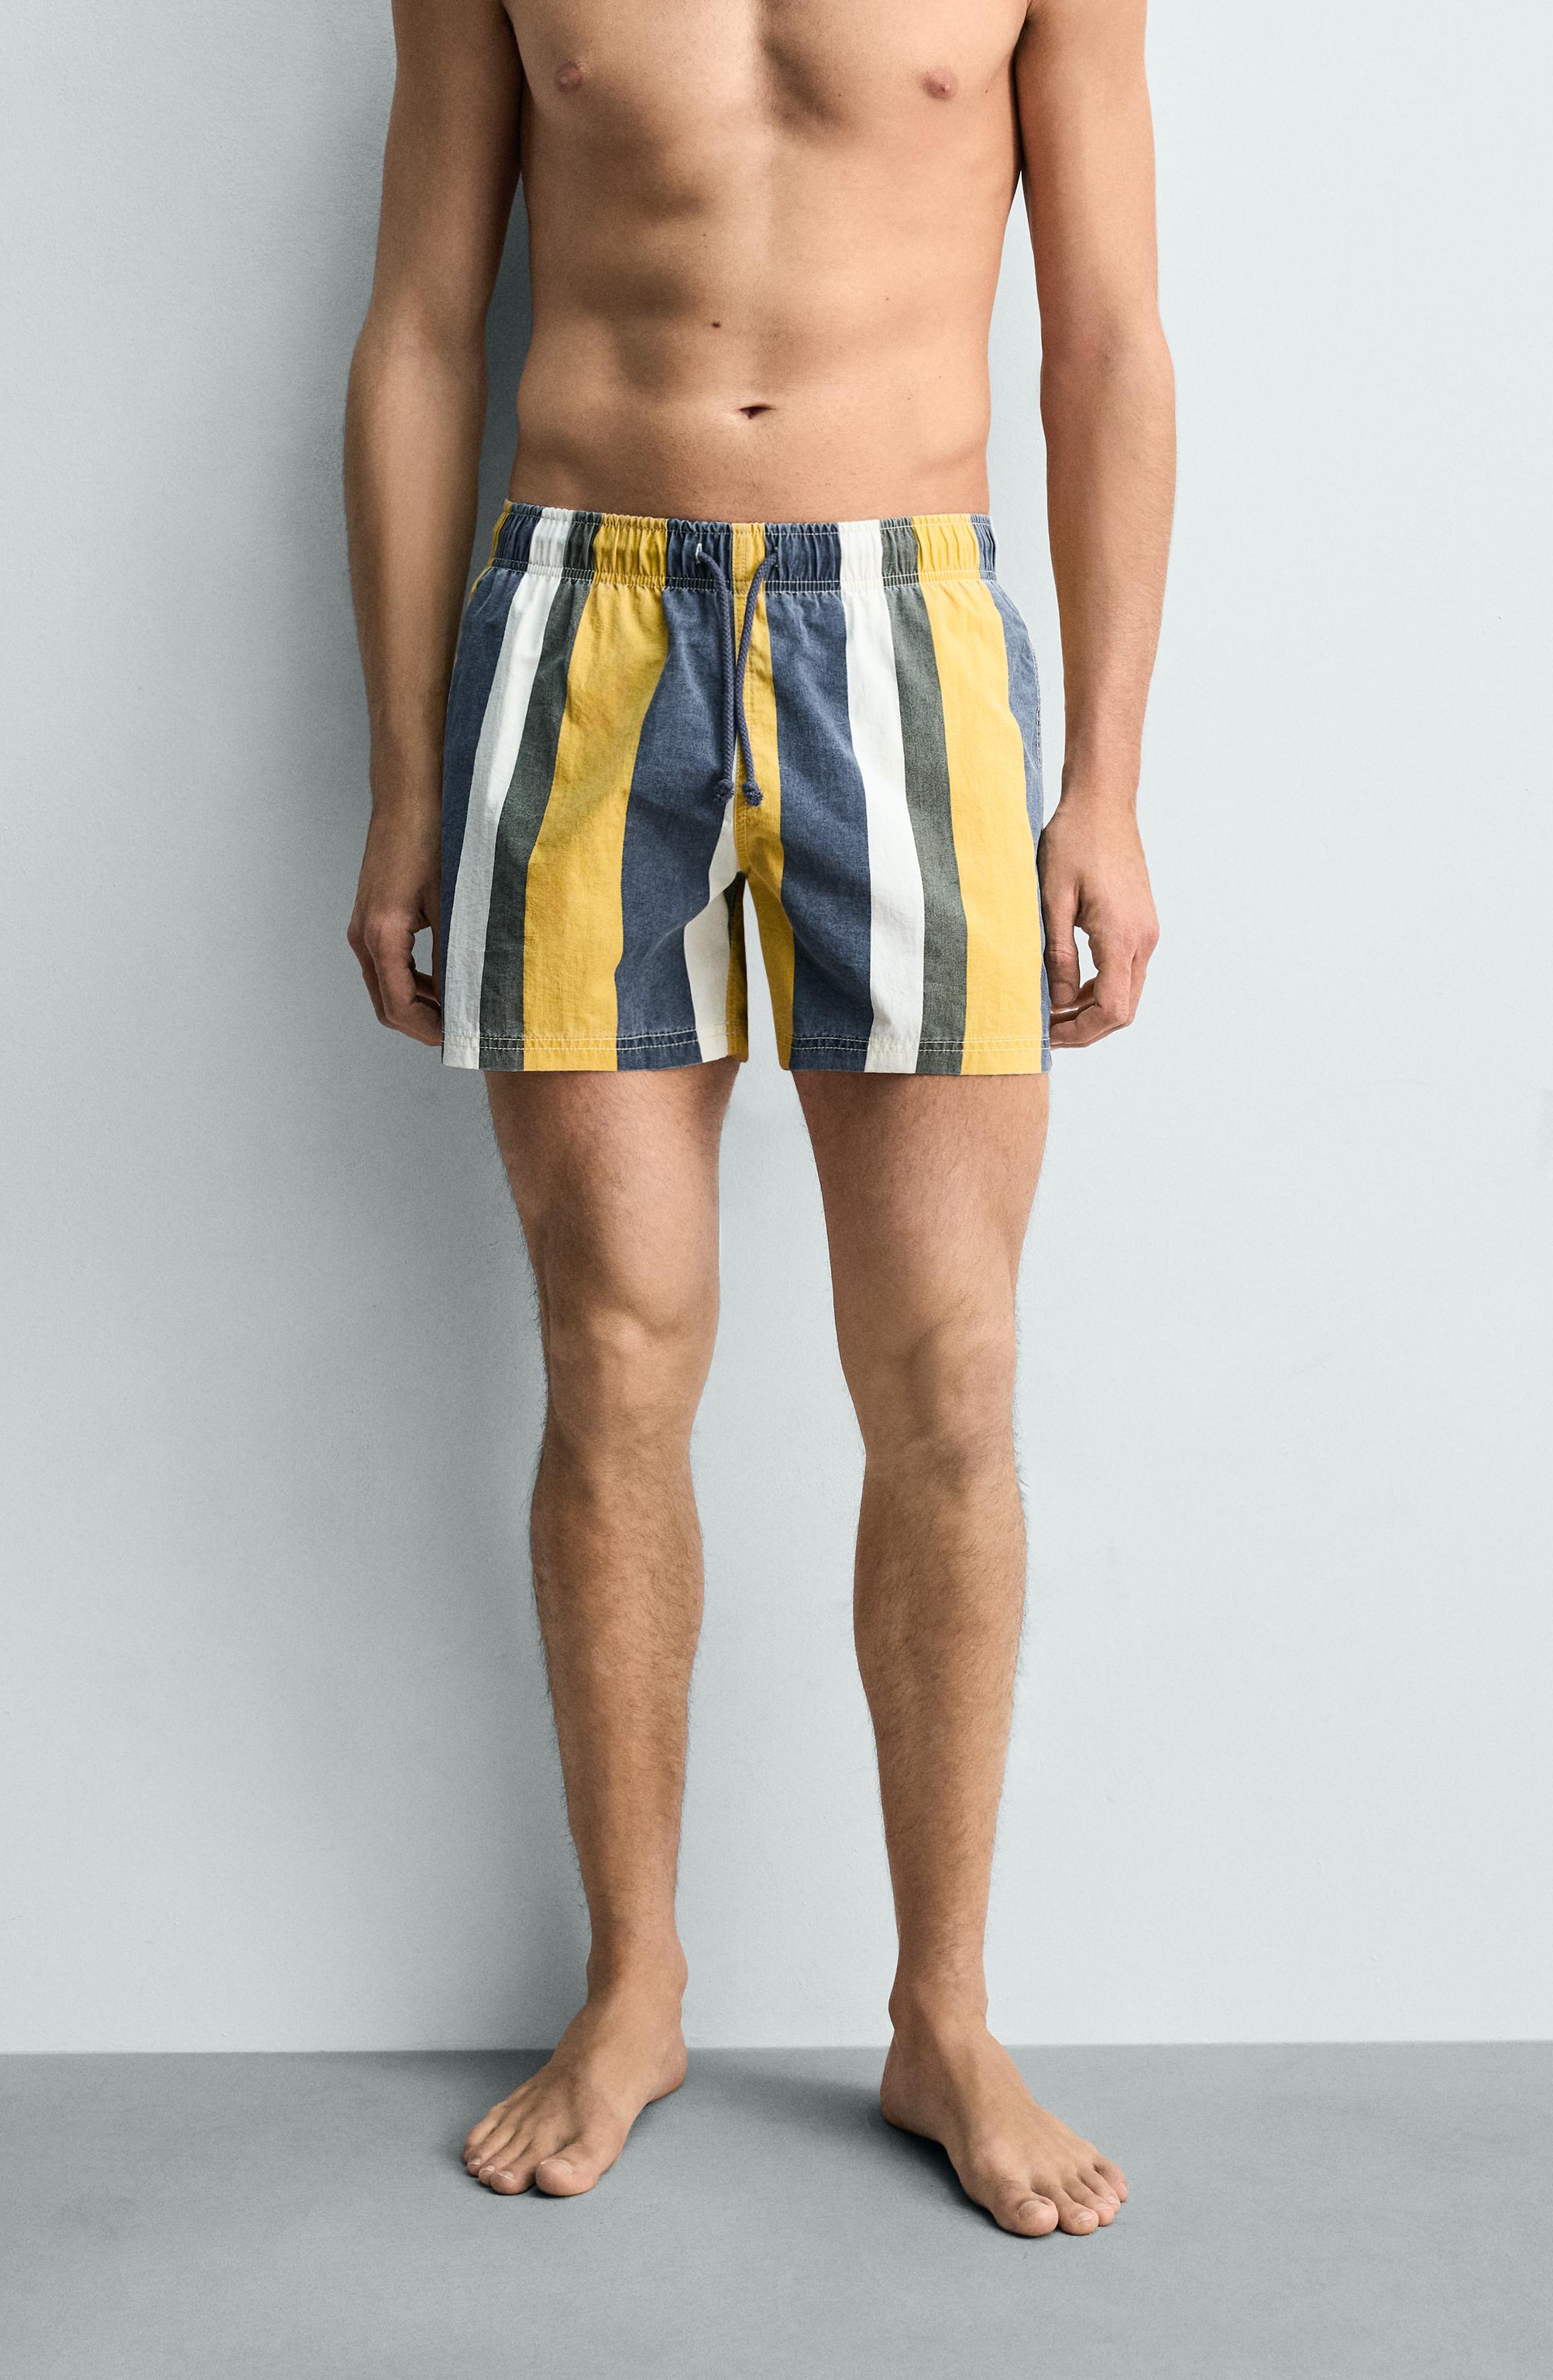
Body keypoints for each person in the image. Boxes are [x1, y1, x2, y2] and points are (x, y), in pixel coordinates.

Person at [345, 0, 1171, 2240]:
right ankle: (634, 1989)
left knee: (952, 1376)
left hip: (907, 629)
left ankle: (944, 2016)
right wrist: (407, 777)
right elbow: (420, 325)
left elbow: (1106, 339)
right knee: (614, 1353)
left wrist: (1105, 782)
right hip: (578, 622)